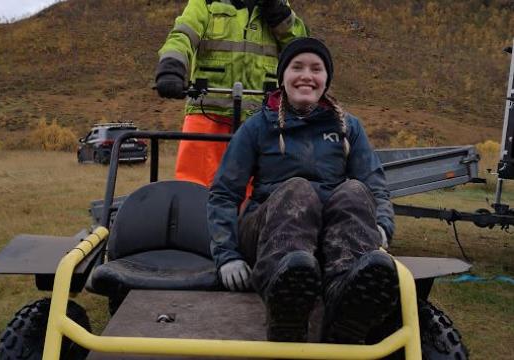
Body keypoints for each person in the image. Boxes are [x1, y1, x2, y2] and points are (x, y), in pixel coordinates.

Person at [207, 37, 398, 344]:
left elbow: (375, 186)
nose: (306, 75)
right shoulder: (257, 127)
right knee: (298, 189)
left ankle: (345, 300)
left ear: (326, 79)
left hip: (329, 238)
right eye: (297, 67)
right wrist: (226, 256)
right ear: (283, 77)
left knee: (353, 190)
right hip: (267, 233)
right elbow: (223, 194)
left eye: (316, 68)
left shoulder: (350, 128)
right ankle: (283, 298)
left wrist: (382, 225)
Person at [155, 0, 308, 187]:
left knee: (262, 193)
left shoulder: (278, 5)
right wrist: (171, 67)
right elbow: (183, 35)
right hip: (207, 113)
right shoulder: (205, 2)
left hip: (262, 118)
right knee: (193, 187)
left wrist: (280, 15)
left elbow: (301, 48)